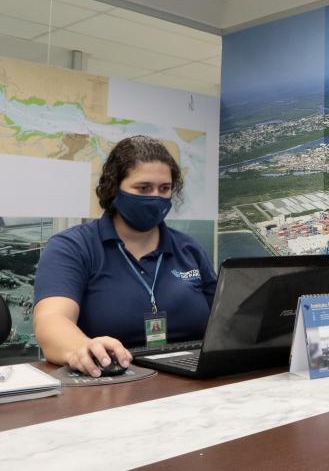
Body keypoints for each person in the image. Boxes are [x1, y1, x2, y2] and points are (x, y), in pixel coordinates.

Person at [34, 136, 217, 377]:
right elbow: (51, 320)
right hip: (111, 380)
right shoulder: (73, 247)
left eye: (165, 188)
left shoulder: (189, 249)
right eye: (143, 188)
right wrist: (80, 348)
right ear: (114, 188)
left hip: (192, 380)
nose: (156, 198)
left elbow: (226, 318)